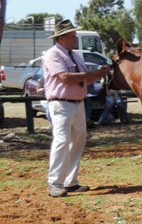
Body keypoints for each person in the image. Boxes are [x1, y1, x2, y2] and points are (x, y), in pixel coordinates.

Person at [43, 19, 111, 197]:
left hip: (78, 103)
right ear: (62, 38)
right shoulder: (53, 55)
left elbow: (84, 78)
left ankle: (70, 182)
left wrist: (98, 74)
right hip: (61, 103)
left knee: (78, 142)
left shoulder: (75, 55)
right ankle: (54, 182)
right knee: (62, 141)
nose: (75, 39)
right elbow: (65, 78)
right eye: (72, 36)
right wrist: (91, 74)